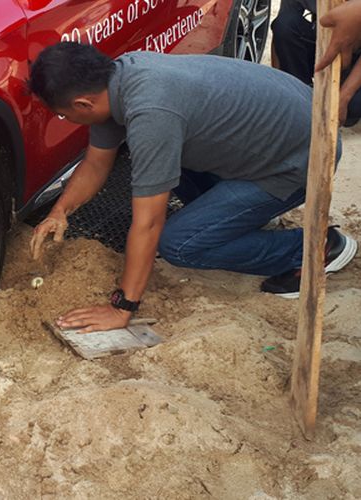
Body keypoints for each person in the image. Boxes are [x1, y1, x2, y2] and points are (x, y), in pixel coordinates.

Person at [28, 42, 357, 333]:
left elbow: (150, 223)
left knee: (181, 244)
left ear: (84, 105)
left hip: (306, 159)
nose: (67, 122)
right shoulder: (120, 76)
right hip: (285, 128)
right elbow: (97, 164)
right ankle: (238, 219)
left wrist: (121, 307)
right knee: (154, 167)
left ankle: (318, 247)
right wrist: (60, 211)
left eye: (63, 116)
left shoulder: (151, 112)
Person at [272, 0, 361, 124]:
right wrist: (280, 87)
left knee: (352, 108)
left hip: (355, 58)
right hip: (329, 47)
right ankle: (301, 95)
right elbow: (281, 32)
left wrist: (344, 96)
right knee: (285, 25)